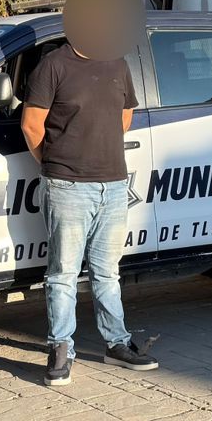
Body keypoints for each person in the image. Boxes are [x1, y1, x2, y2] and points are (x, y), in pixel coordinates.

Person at [22, 36, 158, 385]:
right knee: (63, 273)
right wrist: (56, 163)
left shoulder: (118, 63)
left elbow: (124, 116)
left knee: (107, 272)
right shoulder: (53, 65)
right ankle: (61, 349)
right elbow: (31, 124)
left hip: (113, 185)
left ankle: (116, 343)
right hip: (67, 186)